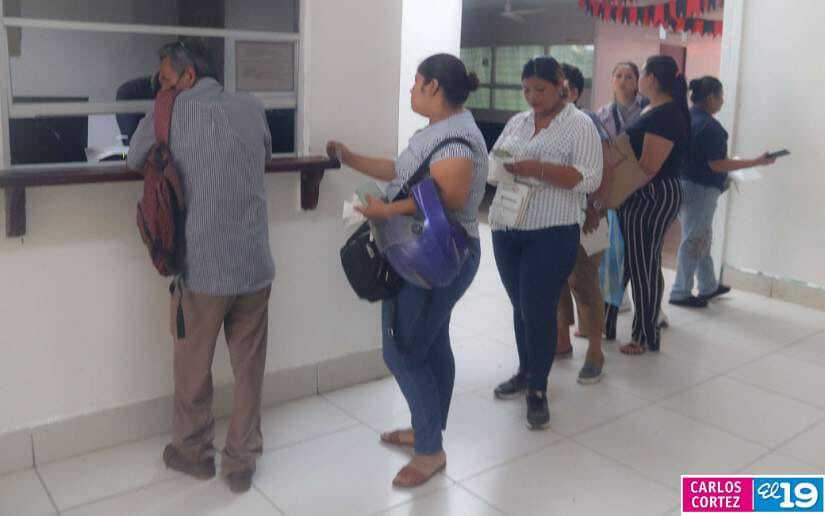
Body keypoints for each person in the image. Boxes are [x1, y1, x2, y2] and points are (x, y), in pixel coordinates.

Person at [327, 54, 488, 488]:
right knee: (432, 344)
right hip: (422, 252)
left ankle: (430, 450)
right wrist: (350, 157)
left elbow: (450, 196)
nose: (412, 89)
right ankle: (425, 429)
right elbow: (403, 172)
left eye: (417, 82)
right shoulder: (436, 131)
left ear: (434, 87)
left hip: (435, 257)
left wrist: (386, 210)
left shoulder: (456, 140)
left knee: (402, 351)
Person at [127, 38, 275, 493]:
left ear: (188, 76)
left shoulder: (168, 112)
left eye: (165, 80)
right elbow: (264, 154)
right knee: (249, 369)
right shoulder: (252, 106)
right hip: (254, 264)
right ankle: (241, 462)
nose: (160, 88)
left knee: (193, 366)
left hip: (202, 267)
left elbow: (134, 158)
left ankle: (193, 453)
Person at [490, 56, 602, 429]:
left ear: (560, 86)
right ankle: (525, 372)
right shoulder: (518, 122)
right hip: (508, 225)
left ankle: (538, 389)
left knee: (538, 309)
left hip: (551, 230)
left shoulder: (579, 125)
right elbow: (496, 158)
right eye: (526, 90)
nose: (532, 97)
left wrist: (538, 169)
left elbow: (590, 178)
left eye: (540, 89)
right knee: (520, 305)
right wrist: (498, 166)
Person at [670, 76, 776, 307]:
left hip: (683, 185)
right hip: (701, 190)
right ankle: (680, 292)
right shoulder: (711, 127)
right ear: (711, 98)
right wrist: (756, 161)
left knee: (702, 236)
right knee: (693, 239)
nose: (723, 101)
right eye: (721, 96)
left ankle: (708, 285)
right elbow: (717, 164)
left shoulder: (686, 119)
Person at [616, 55, 689, 356]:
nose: (638, 79)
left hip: (650, 195)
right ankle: (638, 329)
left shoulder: (665, 114)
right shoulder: (656, 108)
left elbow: (648, 167)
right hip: (646, 193)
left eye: (642, 73)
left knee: (642, 265)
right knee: (642, 262)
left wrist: (617, 190)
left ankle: (644, 336)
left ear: (653, 79)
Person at [555, 63, 613, 384]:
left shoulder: (588, 121)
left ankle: (595, 351)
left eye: (561, 89)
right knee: (557, 278)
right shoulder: (544, 123)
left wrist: (597, 205)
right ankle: (561, 340)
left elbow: (608, 166)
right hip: (557, 214)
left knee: (585, 279)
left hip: (592, 213)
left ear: (574, 93)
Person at [597, 62, 648, 340]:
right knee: (612, 253)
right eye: (618, 76)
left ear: (638, 81)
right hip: (614, 189)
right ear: (611, 80)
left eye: (629, 76)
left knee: (641, 254)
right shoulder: (602, 114)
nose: (623, 81)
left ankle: (649, 314)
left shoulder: (648, 110)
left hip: (643, 188)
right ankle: (610, 314)